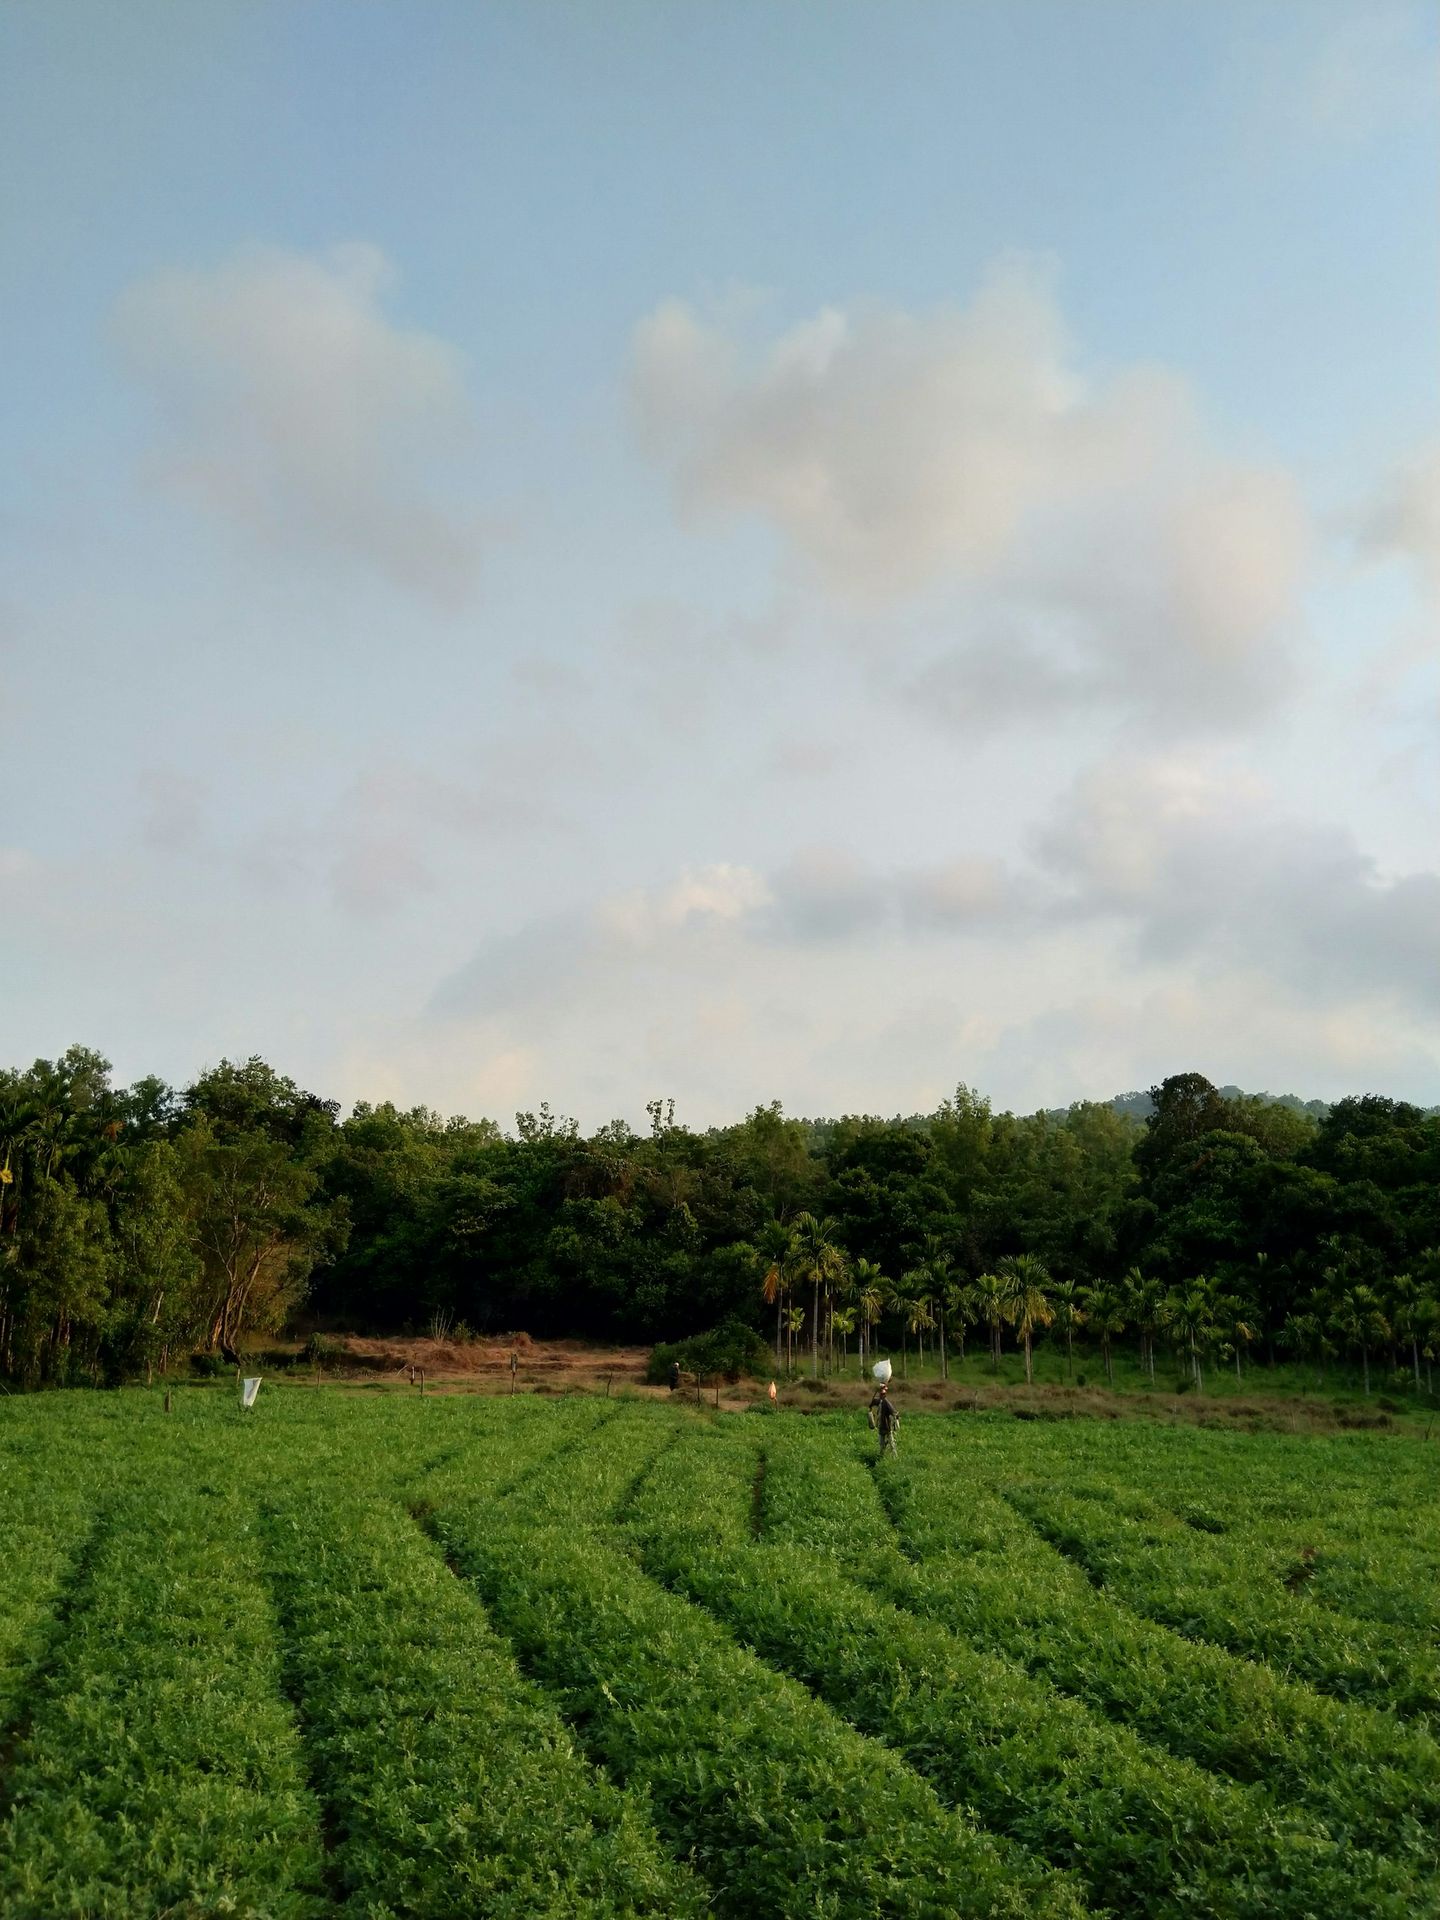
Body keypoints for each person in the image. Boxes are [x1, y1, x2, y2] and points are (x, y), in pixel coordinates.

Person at [869, 1380, 900, 1456]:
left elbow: (893, 1412)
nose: (881, 1395)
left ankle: (895, 1457)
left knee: (892, 1444)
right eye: (881, 1394)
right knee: (881, 1445)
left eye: (883, 1394)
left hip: (887, 1427)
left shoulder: (886, 1402)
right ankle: (881, 1457)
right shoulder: (880, 1401)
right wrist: (876, 1391)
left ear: (884, 1394)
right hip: (881, 1427)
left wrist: (896, 1421)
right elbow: (873, 1402)